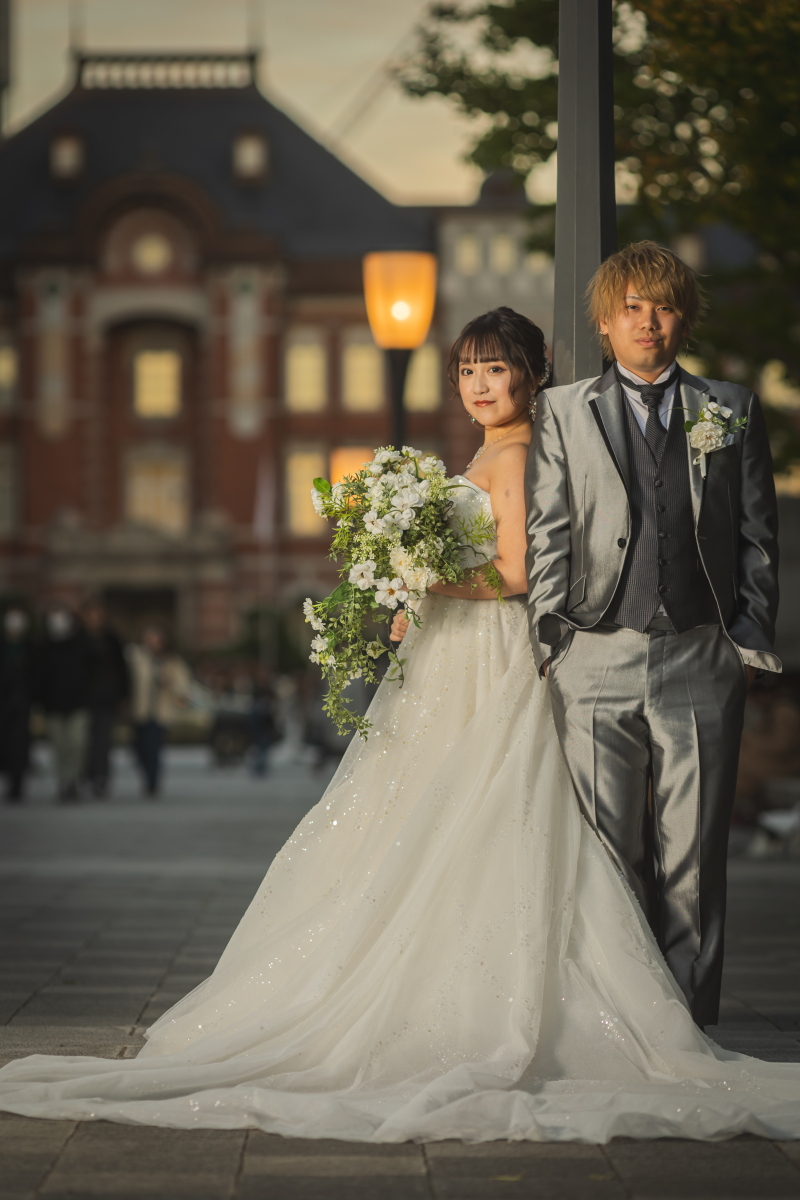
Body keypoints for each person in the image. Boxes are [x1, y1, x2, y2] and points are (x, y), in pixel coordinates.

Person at [3, 306, 800, 1143]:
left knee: (474, 816)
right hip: (453, 659)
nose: (479, 386)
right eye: (465, 370)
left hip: (490, 660)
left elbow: (525, 575)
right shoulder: (495, 450)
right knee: (421, 817)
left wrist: (420, 581)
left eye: (496, 369)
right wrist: (410, 585)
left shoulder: (526, 451)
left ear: (533, 374)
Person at [526, 241, 779, 1031]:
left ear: (685, 319)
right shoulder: (562, 410)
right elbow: (549, 534)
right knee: (608, 857)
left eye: (664, 306)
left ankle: (689, 1026)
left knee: (696, 860)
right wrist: (554, 642)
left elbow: (758, 539)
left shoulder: (729, 409)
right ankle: (616, 1021)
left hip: (702, 655)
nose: (648, 321)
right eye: (631, 306)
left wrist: (745, 640)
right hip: (594, 655)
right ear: (605, 321)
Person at [127, 625, 191, 798]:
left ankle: (152, 783)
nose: (152, 642)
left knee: (153, 748)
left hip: (160, 712)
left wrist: (172, 686)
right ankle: (147, 776)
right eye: (149, 638)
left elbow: (183, 685)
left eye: (156, 639)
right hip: (139, 711)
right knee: (138, 749)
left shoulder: (172, 661)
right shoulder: (136, 657)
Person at [37, 605, 92, 803]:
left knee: (77, 745)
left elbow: (91, 672)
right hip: (53, 705)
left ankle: (74, 780)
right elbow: (39, 677)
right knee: (59, 746)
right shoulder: (45, 646)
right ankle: (63, 782)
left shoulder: (81, 642)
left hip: (79, 704)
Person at [82, 598, 130, 799]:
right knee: (83, 742)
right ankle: (85, 775)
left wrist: (123, 696)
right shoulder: (78, 638)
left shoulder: (112, 639)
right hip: (81, 699)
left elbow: (123, 670)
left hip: (106, 698)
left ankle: (100, 778)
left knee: (103, 742)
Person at [0, 607, 36, 802]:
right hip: (3, 703)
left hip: (23, 702)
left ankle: (17, 782)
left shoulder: (30, 647)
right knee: (5, 744)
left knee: (19, 744)